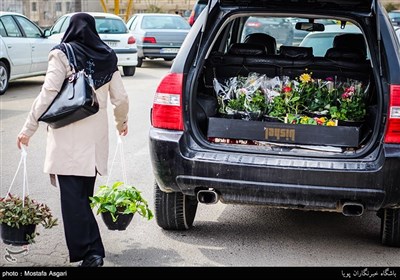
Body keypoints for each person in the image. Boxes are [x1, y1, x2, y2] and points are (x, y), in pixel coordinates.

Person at [16, 13, 129, 267]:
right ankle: (92, 250)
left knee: (74, 203)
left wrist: (27, 129)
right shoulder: (107, 56)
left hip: (67, 139)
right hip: (94, 143)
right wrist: (122, 123)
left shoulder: (62, 54)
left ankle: (92, 252)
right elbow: (120, 99)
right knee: (83, 199)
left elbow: (47, 94)